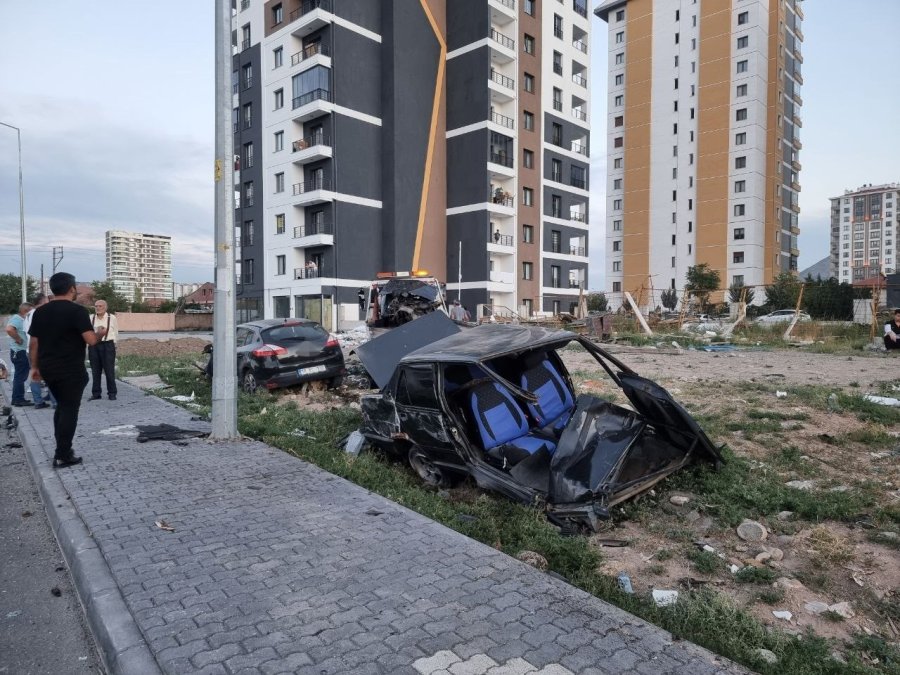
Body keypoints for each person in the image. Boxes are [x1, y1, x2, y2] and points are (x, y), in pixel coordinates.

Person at [28, 272, 102, 468]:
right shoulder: (77, 312)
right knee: (69, 410)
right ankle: (63, 454)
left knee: (61, 407)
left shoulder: (40, 312)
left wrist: (34, 367)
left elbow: (34, 343)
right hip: (70, 370)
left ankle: (63, 449)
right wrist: (101, 333)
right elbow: (91, 340)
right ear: (72, 289)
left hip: (48, 369)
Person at [24, 293, 53, 408]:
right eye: (47, 301)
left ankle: (38, 401)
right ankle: (55, 401)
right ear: (42, 302)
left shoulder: (29, 314)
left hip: (30, 349)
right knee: (51, 374)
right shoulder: (40, 314)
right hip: (41, 348)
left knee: (35, 374)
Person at [88, 299, 119, 400]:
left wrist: (115, 345)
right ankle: (96, 393)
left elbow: (116, 332)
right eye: (96, 306)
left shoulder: (112, 318)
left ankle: (112, 393)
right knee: (95, 371)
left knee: (109, 371)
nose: (98, 308)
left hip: (108, 345)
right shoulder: (91, 318)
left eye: (100, 306)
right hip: (94, 346)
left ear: (105, 307)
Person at [6, 301, 34, 406]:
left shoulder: (21, 319)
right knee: (20, 376)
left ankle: (16, 398)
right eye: (31, 310)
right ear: (26, 310)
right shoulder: (17, 319)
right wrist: (18, 339)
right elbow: (9, 329)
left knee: (20, 375)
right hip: (19, 352)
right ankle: (18, 399)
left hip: (19, 352)